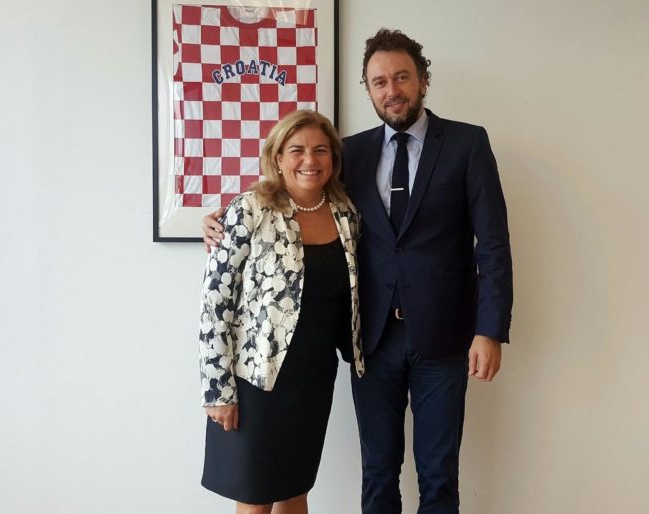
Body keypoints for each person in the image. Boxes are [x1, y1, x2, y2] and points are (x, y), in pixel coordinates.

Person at [204, 29, 513, 514]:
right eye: (379, 82)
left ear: (423, 80)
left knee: (439, 475)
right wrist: (221, 218)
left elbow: (492, 244)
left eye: (402, 77)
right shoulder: (350, 152)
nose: (392, 90)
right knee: (378, 473)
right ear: (368, 90)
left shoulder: (467, 144)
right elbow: (294, 188)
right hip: (371, 342)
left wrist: (489, 330)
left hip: (444, 339)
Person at [198, 109, 364, 514]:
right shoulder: (250, 209)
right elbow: (216, 302)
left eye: (320, 150)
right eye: (297, 150)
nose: (310, 160)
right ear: (277, 157)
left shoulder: (345, 212)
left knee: (295, 490)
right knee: (255, 499)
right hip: (257, 381)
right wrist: (217, 389)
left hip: (313, 378)